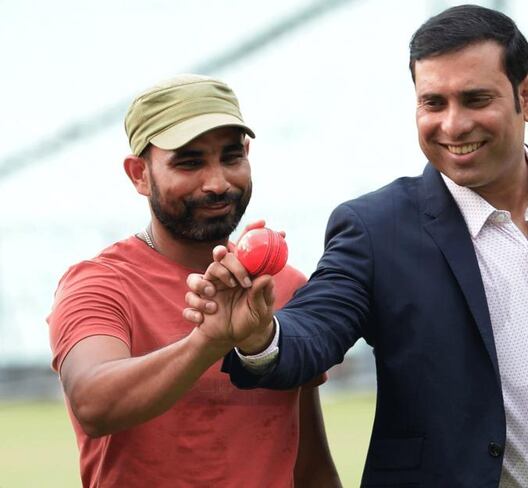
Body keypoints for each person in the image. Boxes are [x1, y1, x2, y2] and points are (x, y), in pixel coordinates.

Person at [184, 5, 528, 488]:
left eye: (476, 99)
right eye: (433, 103)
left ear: (526, 96)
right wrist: (259, 337)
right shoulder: (375, 228)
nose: (453, 124)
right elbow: (314, 331)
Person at [47, 74, 341, 487]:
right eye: (189, 162)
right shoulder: (98, 284)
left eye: (231, 157)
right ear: (139, 175)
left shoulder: (282, 285)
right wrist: (208, 342)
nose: (217, 182)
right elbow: (93, 405)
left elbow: (309, 461)